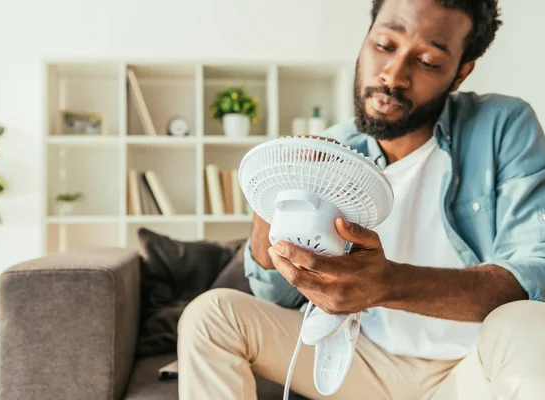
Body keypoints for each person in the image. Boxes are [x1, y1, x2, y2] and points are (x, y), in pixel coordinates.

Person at [177, 0, 545, 398]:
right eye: (385, 45)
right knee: (211, 316)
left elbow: (533, 277)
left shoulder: (503, 127)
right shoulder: (331, 149)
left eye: (427, 61)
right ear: (366, 39)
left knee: (529, 322)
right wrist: (272, 195)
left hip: (471, 369)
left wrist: (388, 285)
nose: (393, 76)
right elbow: (274, 294)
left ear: (460, 73)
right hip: (359, 362)